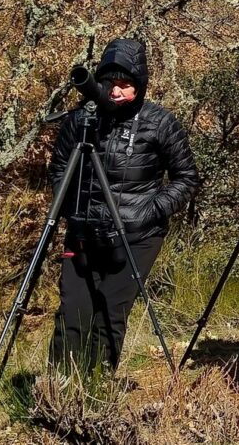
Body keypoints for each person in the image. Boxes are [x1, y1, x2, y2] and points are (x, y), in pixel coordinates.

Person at [49, 38, 199, 373]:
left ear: (140, 85)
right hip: (83, 229)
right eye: (109, 84)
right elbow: (59, 167)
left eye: (125, 85)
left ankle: (98, 388)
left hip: (137, 234)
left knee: (109, 313)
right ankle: (58, 391)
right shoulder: (80, 120)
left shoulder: (159, 122)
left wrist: (149, 210)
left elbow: (186, 178)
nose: (115, 92)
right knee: (72, 312)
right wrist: (69, 208)